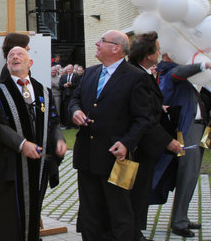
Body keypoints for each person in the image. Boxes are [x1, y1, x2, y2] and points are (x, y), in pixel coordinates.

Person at [70, 30, 151, 241]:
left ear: (116, 48)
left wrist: (126, 143)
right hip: (87, 156)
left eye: (102, 41)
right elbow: (74, 99)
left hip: (116, 158)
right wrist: (75, 111)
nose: (97, 43)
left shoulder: (136, 77)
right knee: (89, 212)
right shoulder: (90, 73)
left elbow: (143, 118)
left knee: (119, 212)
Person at [0, 46, 66, 241]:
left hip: (38, 165)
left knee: (32, 211)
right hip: (9, 165)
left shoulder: (43, 91)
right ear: (7, 64)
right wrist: (22, 144)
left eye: (20, 54)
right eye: (11, 55)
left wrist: (59, 139)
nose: (14, 57)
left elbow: (53, 121)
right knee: (7, 217)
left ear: (30, 63)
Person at [128, 33, 181, 241]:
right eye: (157, 49)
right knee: (138, 191)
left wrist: (159, 107)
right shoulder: (138, 75)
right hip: (140, 145)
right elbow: (144, 116)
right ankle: (132, 233)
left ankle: (134, 231)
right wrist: (168, 142)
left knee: (140, 191)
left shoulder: (140, 73)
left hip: (143, 144)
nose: (160, 53)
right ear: (147, 54)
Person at [153, 54, 210, 238]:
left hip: (197, 129)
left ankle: (182, 217)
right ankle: (179, 222)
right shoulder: (169, 71)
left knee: (191, 176)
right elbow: (179, 73)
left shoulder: (183, 78)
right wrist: (203, 65)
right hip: (187, 131)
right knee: (187, 175)